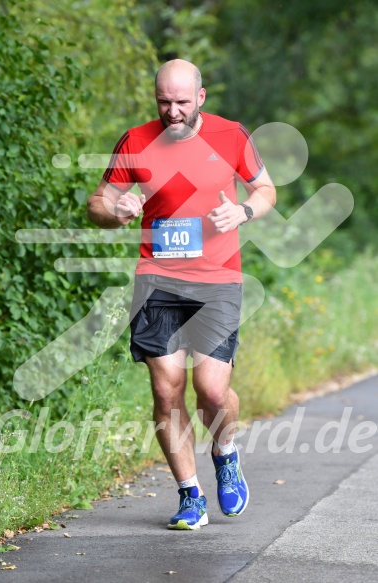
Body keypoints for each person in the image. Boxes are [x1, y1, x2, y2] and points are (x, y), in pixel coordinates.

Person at [87, 59, 276, 530]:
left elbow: (266, 189)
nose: (172, 112)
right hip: (158, 280)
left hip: (218, 280)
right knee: (165, 390)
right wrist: (118, 210)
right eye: (164, 102)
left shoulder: (232, 136)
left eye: (182, 103)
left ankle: (225, 451)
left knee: (212, 390)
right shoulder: (135, 140)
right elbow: (97, 203)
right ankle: (190, 495)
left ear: (202, 98)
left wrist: (245, 213)